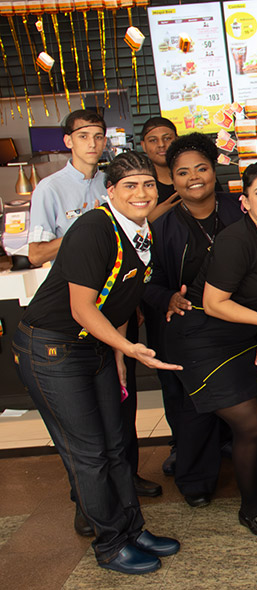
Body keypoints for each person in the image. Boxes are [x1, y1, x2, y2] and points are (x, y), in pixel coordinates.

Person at [13, 151, 181, 574]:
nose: (141, 194)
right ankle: (110, 545)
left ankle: (132, 529)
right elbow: (83, 308)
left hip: (97, 347)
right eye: (129, 186)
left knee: (117, 446)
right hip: (53, 349)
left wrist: (119, 351)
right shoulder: (93, 229)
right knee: (88, 454)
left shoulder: (143, 231)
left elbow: (123, 298)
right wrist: (127, 349)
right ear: (111, 192)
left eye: (147, 185)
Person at [171, 162, 257, 536]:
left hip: (243, 337)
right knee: (249, 423)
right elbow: (216, 304)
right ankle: (250, 508)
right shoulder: (236, 240)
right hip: (202, 339)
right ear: (245, 203)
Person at [143, 133, 243, 507]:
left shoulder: (238, 209)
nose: (193, 178)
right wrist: (167, 296)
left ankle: (230, 451)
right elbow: (144, 282)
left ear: (213, 169)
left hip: (237, 324)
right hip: (186, 328)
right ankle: (195, 479)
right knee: (193, 406)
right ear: (172, 177)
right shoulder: (161, 225)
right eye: (182, 172)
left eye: (201, 168)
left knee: (239, 398)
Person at [28, 109, 107, 266]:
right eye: (83, 136)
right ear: (68, 141)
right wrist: (85, 229)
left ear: (104, 142)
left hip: (113, 283)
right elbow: (36, 255)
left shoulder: (112, 183)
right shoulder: (49, 189)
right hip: (72, 285)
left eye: (98, 137)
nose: (92, 144)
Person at [137, 116, 180, 219]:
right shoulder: (138, 185)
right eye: (153, 140)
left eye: (167, 138)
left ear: (177, 140)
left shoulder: (196, 174)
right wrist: (152, 217)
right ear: (143, 145)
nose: (161, 144)